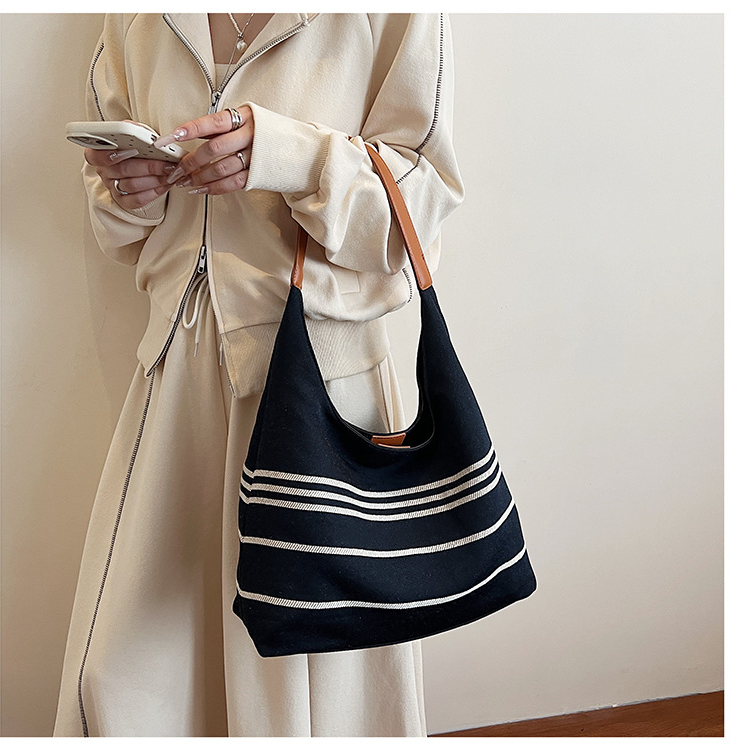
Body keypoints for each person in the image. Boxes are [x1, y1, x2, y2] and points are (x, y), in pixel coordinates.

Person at [53, 12, 464, 737]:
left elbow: (419, 211)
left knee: (300, 686)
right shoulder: (133, 14)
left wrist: (288, 156)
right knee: (119, 676)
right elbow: (114, 221)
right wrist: (129, 189)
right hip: (177, 375)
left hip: (322, 393)